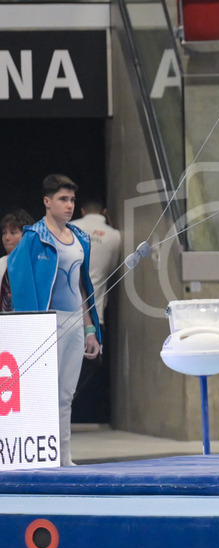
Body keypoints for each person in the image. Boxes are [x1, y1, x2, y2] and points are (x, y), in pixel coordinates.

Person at [9, 174, 102, 466]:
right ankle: (41, 456)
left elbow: (83, 286)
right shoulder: (34, 238)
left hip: (75, 324)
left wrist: (90, 329)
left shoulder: (81, 239)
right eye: (63, 199)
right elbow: (21, 283)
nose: (69, 205)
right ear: (47, 202)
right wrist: (31, 329)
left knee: (65, 395)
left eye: (72, 199)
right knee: (43, 394)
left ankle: (64, 457)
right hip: (47, 323)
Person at [70, 199, 122, 332]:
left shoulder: (69, 228)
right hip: (96, 315)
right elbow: (112, 269)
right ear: (104, 212)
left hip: (68, 315)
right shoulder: (114, 235)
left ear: (82, 211)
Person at [0, 209, 34, 312]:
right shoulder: (1, 264)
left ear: (26, 235)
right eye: (4, 233)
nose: (7, 238)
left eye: (13, 232)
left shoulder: (36, 264)